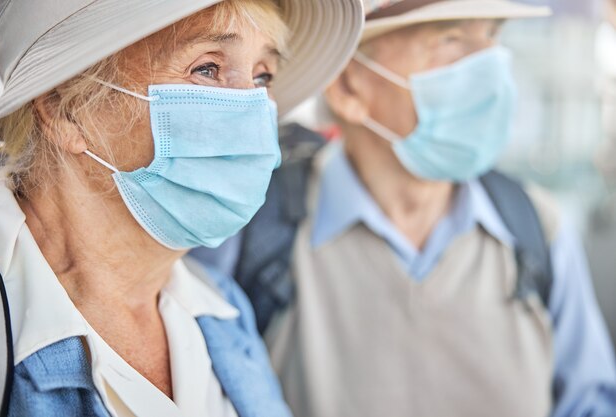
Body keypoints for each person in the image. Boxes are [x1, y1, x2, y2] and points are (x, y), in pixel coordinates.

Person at [193, 1, 616, 416]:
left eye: (492, 33)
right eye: (449, 39)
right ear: (348, 88)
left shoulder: (536, 226)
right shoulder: (251, 228)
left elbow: (590, 402)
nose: (492, 63)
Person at [0, 0, 364, 416]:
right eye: (207, 68)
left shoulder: (222, 306)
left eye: (263, 76)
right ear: (65, 111)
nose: (253, 111)